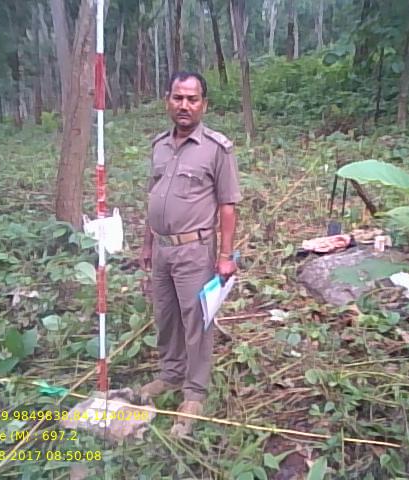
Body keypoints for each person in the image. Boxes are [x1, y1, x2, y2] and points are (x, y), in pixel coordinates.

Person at [138, 71, 242, 437]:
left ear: (204, 104)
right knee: (165, 316)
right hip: (162, 249)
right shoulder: (159, 146)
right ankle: (170, 373)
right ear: (168, 100)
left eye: (192, 99)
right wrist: (147, 244)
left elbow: (227, 205)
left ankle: (194, 392)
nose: (184, 105)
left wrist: (225, 256)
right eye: (178, 98)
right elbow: (153, 198)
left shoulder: (216, 149)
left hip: (194, 250)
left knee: (196, 320)